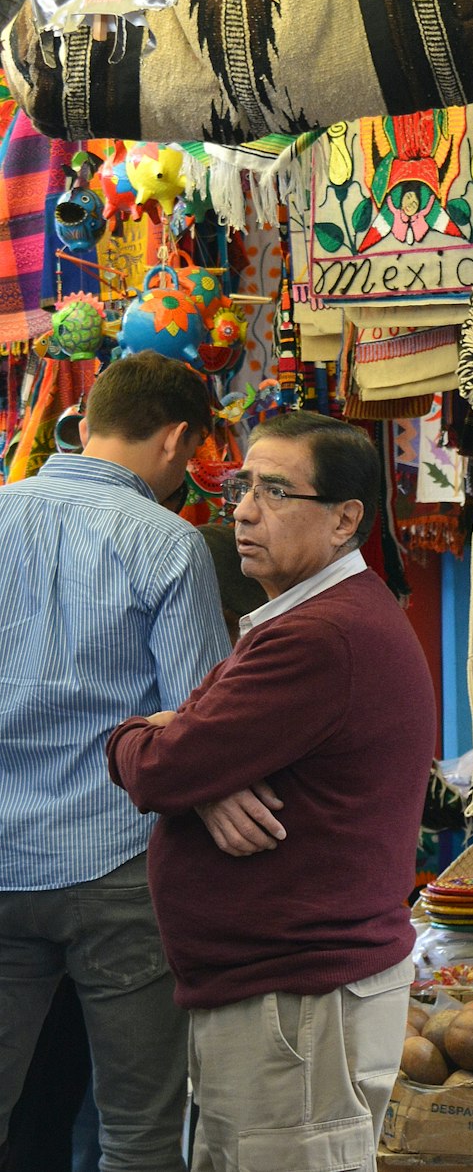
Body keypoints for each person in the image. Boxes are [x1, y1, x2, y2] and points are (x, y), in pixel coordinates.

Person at [107, 411, 437, 1172]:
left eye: (277, 491)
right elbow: (185, 760)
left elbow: (160, 766)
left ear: (346, 519)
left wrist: (144, 741)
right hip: (285, 1007)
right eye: (242, 488)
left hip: (296, 1014)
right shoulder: (311, 620)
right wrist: (195, 775)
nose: (247, 511)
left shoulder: (317, 637)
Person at [0, 350, 233, 1172]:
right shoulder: (169, 544)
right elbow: (203, 726)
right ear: (176, 441)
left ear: (88, 421)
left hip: (1, 858)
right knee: (138, 1131)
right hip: (119, 868)